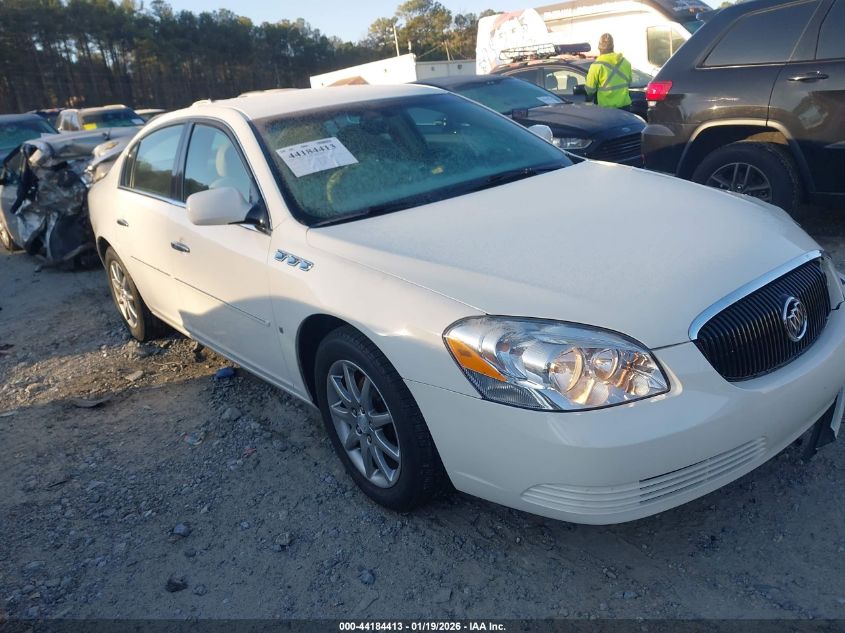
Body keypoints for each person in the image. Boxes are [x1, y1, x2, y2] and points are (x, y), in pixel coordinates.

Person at [584, 33, 633, 110]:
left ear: (599, 48)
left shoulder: (597, 65)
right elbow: (629, 82)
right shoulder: (625, 62)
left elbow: (589, 90)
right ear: (613, 46)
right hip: (625, 107)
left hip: (606, 109)